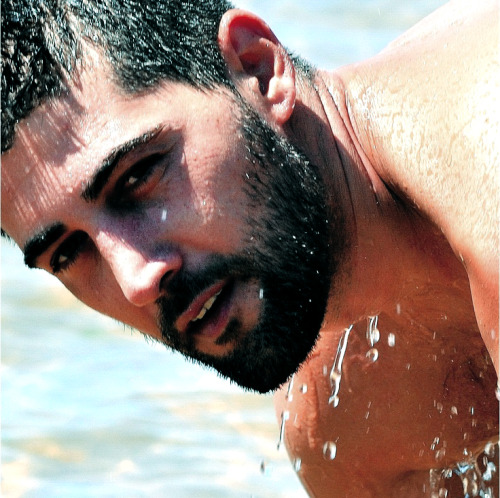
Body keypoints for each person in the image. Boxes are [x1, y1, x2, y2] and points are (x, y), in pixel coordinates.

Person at [2, 0, 498, 495]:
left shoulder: (484, 145)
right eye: (68, 253)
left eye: (138, 176)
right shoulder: (346, 422)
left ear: (258, 70)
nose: (136, 280)